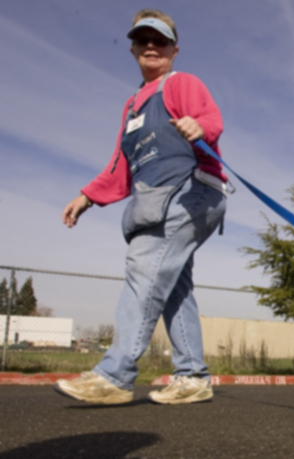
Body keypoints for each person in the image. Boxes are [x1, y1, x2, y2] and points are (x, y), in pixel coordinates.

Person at [55, 9, 227, 405]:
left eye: (160, 41)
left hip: (192, 192)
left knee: (144, 265)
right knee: (172, 286)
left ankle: (114, 375)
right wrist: (87, 196)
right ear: (133, 47)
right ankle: (192, 377)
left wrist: (199, 127)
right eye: (144, 39)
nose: (152, 46)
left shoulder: (180, 83)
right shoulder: (132, 105)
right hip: (154, 198)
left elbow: (210, 117)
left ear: (174, 50)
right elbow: (120, 165)